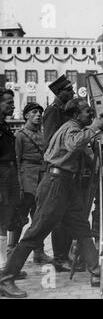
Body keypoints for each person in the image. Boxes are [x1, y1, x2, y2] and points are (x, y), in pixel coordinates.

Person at [0, 98, 103, 298]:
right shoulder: (71, 128)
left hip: (66, 184)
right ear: (76, 115)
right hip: (56, 183)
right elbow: (74, 144)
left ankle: (96, 272)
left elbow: (84, 150)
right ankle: (5, 279)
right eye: (87, 113)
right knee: (35, 233)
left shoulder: (74, 127)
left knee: (82, 230)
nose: (90, 116)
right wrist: (93, 128)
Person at [7, 103, 53, 265]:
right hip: (26, 179)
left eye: (40, 112)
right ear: (26, 116)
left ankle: (38, 252)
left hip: (41, 176)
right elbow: (17, 160)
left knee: (39, 217)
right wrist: (19, 185)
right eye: (34, 112)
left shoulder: (42, 134)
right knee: (20, 216)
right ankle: (11, 251)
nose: (39, 115)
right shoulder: (20, 135)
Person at [44, 74, 78, 272]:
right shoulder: (53, 111)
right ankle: (59, 258)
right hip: (57, 169)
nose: (72, 92)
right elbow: (49, 142)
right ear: (59, 93)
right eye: (69, 90)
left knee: (68, 214)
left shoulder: (65, 111)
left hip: (68, 169)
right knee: (56, 216)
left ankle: (64, 255)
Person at [0, 89, 27, 280]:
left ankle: (5, 267)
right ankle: (3, 269)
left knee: (7, 219)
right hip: (1, 175)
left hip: (9, 174)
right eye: (8, 102)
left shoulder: (4, 124)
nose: (12, 106)